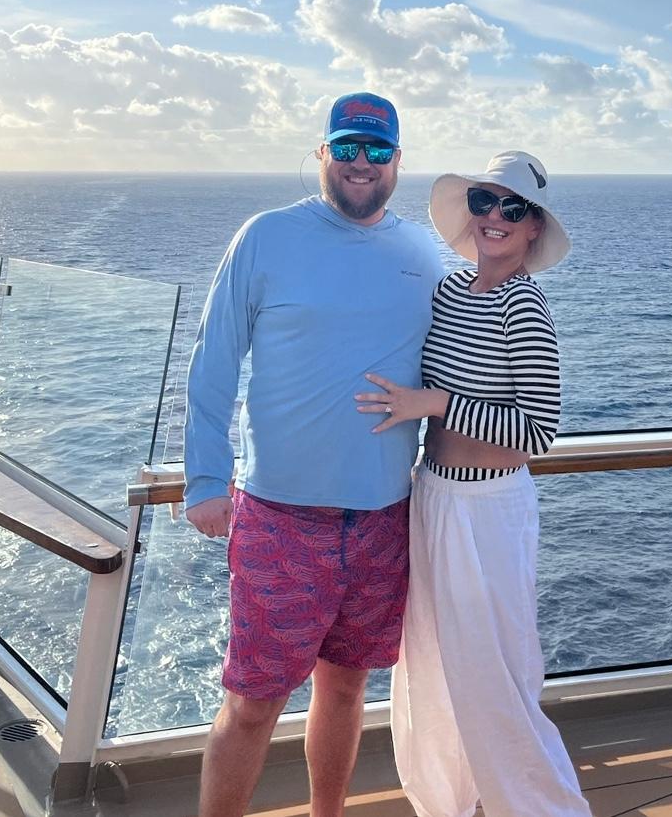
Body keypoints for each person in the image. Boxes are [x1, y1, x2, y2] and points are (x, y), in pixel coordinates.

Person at [184, 91, 444, 817]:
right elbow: (214, 359)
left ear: (398, 160)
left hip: (385, 517)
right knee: (251, 704)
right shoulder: (266, 237)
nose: (362, 162)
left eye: (377, 149)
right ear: (323, 153)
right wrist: (205, 478)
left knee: (347, 687)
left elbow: (457, 365)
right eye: (347, 147)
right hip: (280, 517)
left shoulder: (422, 252)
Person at [357, 151, 591, 817]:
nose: (496, 217)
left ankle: (543, 808)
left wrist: (435, 404)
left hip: (488, 508)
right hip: (432, 495)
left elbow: (537, 431)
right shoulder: (450, 292)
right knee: (429, 668)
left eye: (513, 208)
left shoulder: (524, 307)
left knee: (496, 676)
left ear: (533, 228)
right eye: (486, 202)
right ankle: (445, 804)